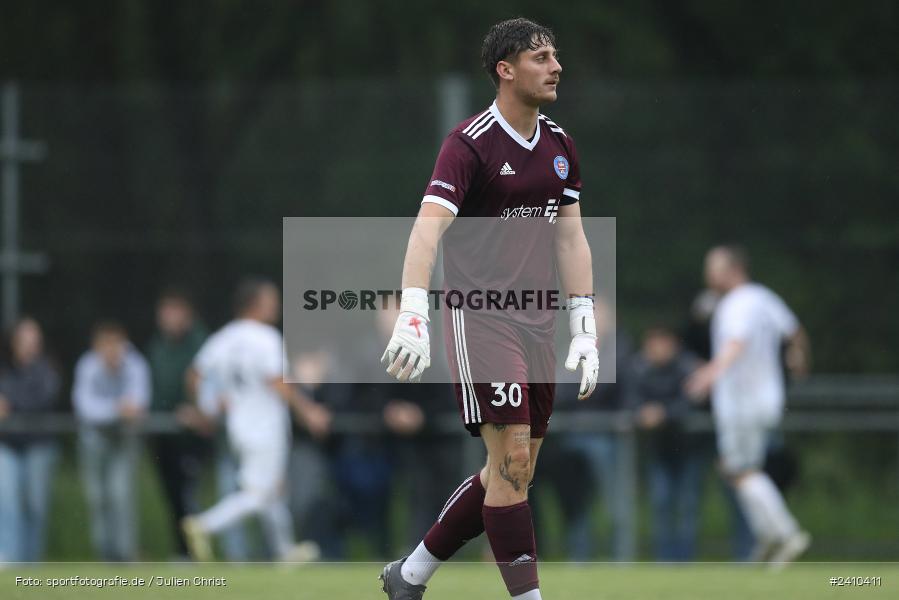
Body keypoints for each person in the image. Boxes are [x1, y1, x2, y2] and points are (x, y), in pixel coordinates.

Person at [379, 18, 598, 600]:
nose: (556, 67)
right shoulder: (469, 143)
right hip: (479, 316)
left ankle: (410, 575)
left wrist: (583, 323)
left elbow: (570, 239)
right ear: (505, 69)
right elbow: (427, 231)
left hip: (538, 322)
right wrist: (414, 311)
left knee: (509, 473)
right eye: (541, 57)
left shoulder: (560, 146)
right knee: (514, 461)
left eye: (556, 55)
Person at [180, 278, 328, 563]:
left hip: (238, 428)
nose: (277, 305)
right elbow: (277, 381)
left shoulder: (223, 338)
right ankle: (203, 525)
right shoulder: (266, 337)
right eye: (271, 300)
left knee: (271, 489)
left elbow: (194, 375)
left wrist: (208, 407)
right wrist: (308, 411)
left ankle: (286, 551)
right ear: (255, 304)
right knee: (259, 494)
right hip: (265, 427)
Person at [686, 245, 811, 568]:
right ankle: (769, 539)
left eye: (712, 268)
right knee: (738, 468)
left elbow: (736, 344)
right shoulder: (763, 297)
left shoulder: (736, 304)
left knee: (739, 469)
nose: (708, 275)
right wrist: (798, 360)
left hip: (741, 401)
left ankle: (786, 533)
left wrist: (709, 375)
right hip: (766, 398)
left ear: (732, 270)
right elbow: (795, 332)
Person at [73, 321, 151, 561]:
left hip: (124, 439)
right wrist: (117, 409)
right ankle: (105, 554)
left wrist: (123, 411)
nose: (111, 352)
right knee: (97, 498)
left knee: (121, 495)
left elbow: (139, 404)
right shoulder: (87, 365)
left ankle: (125, 555)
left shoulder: (136, 364)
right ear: (97, 347)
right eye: (106, 347)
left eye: (115, 346)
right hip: (93, 441)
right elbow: (85, 408)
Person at [626, 326, 705, 562]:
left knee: (688, 505)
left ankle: (685, 560)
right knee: (661, 503)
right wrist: (642, 412)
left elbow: (692, 401)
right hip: (659, 449)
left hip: (689, 447)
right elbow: (629, 399)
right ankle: (665, 560)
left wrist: (663, 414)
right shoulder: (639, 368)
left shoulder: (688, 367)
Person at [146, 289, 208, 560]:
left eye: (174, 311)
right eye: (164, 312)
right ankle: (182, 551)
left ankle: (196, 550)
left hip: (192, 436)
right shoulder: (157, 346)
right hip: (163, 434)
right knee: (172, 497)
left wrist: (196, 409)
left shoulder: (201, 343)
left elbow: (206, 381)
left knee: (189, 496)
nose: (168, 318)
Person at [0, 318, 61, 563]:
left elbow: (40, 401)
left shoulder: (47, 369)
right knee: (8, 503)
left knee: (36, 507)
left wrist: (10, 404)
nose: (30, 345)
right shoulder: (5, 368)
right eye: (25, 340)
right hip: (7, 444)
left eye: (34, 340)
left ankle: (30, 562)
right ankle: (9, 558)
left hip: (39, 446)